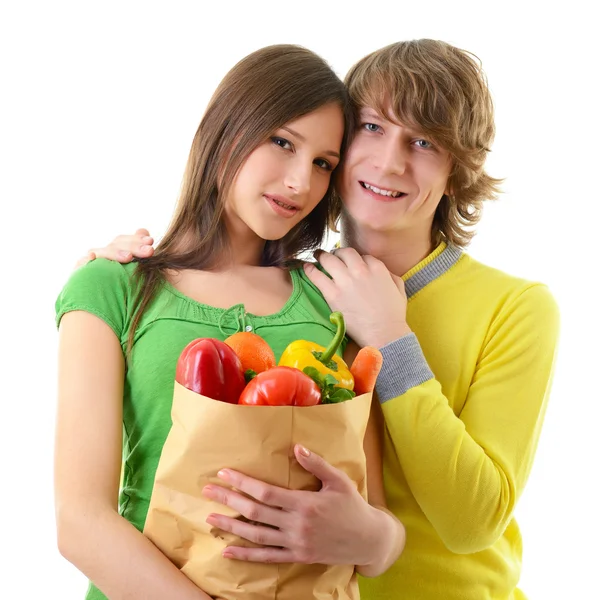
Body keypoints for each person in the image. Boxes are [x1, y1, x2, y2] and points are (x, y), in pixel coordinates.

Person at [79, 39, 560, 600]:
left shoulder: (516, 307)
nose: (389, 161)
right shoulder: (301, 296)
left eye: (424, 142)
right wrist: (122, 275)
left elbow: (473, 523)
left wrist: (390, 340)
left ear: (458, 173)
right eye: (373, 128)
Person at [55, 44, 406, 600]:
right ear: (228, 129)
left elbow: (382, 534)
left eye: (323, 164)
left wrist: (372, 537)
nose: (299, 182)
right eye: (283, 142)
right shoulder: (112, 287)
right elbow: (79, 522)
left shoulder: (333, 300)